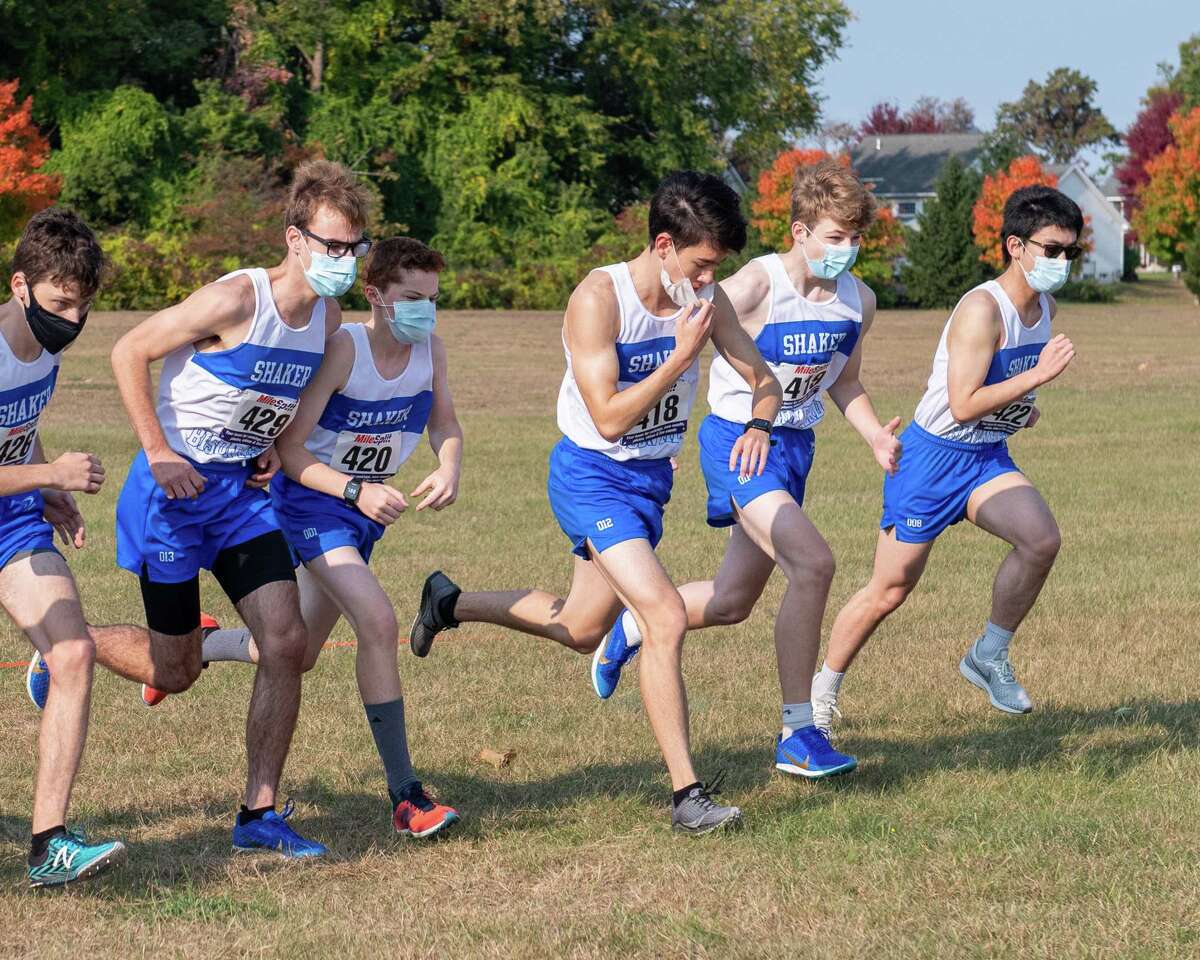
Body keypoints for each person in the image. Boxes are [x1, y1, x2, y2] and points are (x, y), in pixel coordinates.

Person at [410, 171, 781, 834]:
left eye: (714, 270)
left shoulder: (705, 298)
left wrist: (759, 423)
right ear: (664, 245)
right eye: (699, 265)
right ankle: (686, 797)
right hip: (590, 476)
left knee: (581, 628)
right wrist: (681, 357)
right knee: (662, 615)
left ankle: (448, 601)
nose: (706, 282)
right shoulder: (597, 300)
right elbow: (608, 418)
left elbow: (765, 379)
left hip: (647, 484)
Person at [90, 160, 372, 857]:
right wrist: (157, 451)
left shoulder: (328, 316)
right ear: (295, 239)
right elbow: (129, 351)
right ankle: (71, 646)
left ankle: (259, 815)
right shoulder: (235, 300)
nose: (343, 260)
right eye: (332, 245)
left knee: (287, 642)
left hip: (243, 500)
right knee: (175, 672)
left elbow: (276, 395)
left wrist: (274, 441)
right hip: (174, 497)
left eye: (354, 248)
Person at [585, 159, 903, 777]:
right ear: (800, 231)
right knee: (814, 563)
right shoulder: (756, 284)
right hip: (739, 442)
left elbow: (848, 381)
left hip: (792, 450)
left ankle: (629, 628)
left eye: (856, 239)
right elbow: (687, 326)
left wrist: (872, 436)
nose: (847, 251)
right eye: (835, 237)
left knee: (734, 601)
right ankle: (797, 732)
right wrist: (665, 426)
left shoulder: (858, 302)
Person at [182, 237, 462, 839]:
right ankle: (406, 795)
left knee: (298, 652)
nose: (424, 312)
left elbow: (446, 424)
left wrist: (449, 464)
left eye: (433, 300)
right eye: (412, 298)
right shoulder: (342, 351)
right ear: (376, 294)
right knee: (379, 621)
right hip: (313, 504)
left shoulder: (431, 351)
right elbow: (290, 449)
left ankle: (202, 645)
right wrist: (356, 490)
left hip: (358, 516)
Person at [815, 185, 1080, 728]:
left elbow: (995, 393)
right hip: (931, 459)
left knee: (1041, 540)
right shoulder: (983, 309)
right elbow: (961, 405)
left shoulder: (1045, 307)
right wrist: (1037, 377)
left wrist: (1021, 409)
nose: (1061, 262)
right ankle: (819, 696)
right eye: (1051, 249)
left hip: (984, 457)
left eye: (1070, 252)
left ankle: (989, 654)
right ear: (1016, 246)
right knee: (889, 589)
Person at [6, 209, 133, 886]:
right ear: (20, 286)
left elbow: (18, 432)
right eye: (60, 304)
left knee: (73, 651)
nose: (73, 320)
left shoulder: (44, 353)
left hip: (10, 520)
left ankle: (47, 844)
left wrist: (46, 485)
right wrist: (49, 475)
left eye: (83, 307)